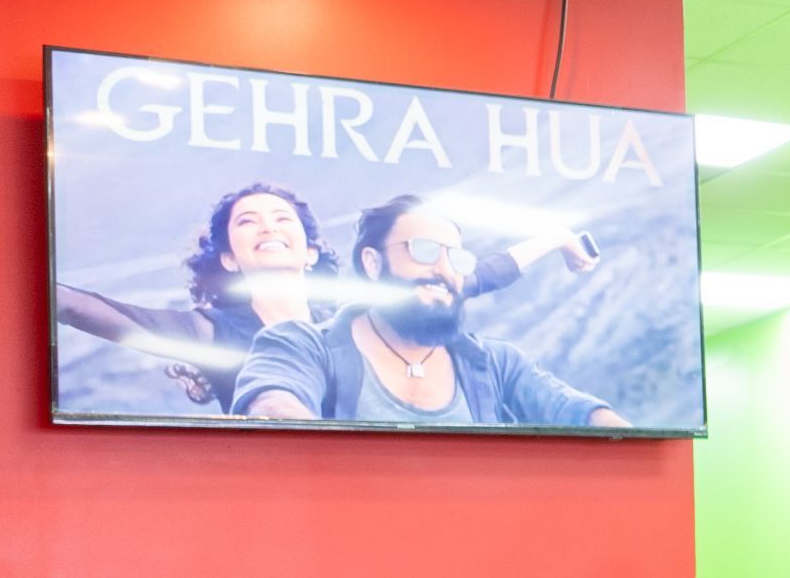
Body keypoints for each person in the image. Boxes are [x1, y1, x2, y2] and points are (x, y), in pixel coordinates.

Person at [233, 195, 628, 427]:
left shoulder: (494, 362)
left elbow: (574, 411)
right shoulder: (302, 345)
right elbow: (273, 402)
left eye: (455, 257)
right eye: (422, 251)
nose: (442, 269)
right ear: (372, 263)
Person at [56, 181, 322, 402]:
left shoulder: (342, 326)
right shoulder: (210, 332)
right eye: (247, 221)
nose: (268, 227)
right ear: (230, 259)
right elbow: (76, 307)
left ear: (311, 253)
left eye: (282, 218)